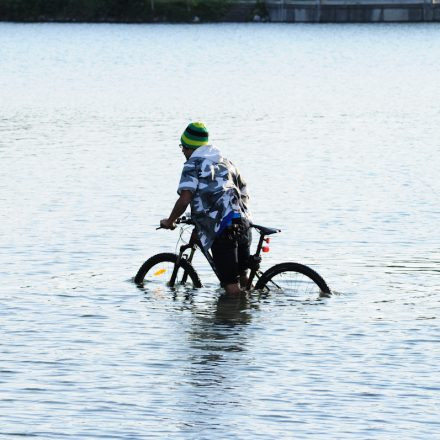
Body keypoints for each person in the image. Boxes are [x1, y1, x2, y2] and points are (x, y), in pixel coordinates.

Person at [160, 122, 252, 295]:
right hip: (242, 221)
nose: (182, 151)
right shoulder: (225, 162)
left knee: (231, 286)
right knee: (243, 279)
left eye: (183, 147)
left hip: (224, 227)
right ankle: (247, 311)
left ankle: (237, 318)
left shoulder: (193, 164)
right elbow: (244, 190)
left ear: (190, 148)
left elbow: (185, 198)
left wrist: (170, 221)